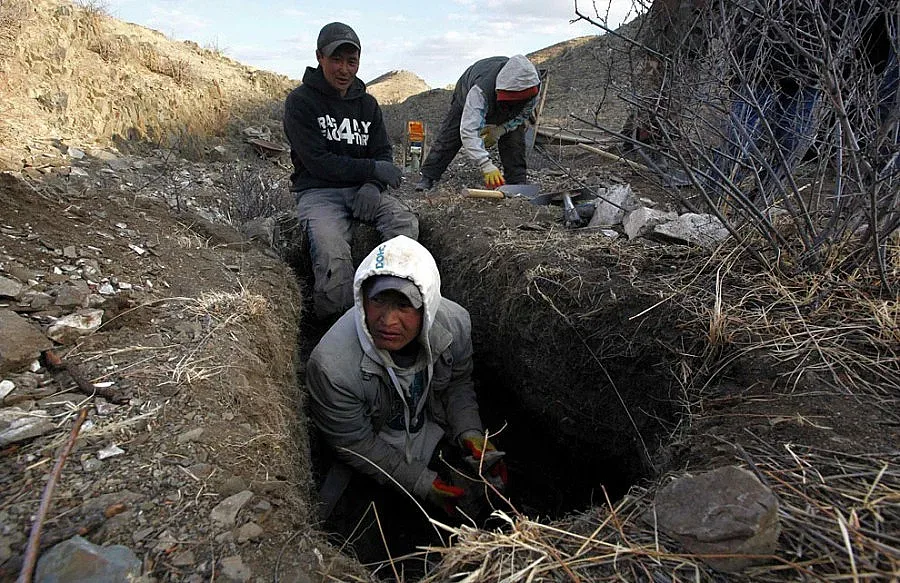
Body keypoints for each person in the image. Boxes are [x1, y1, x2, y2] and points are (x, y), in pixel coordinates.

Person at [307, 235, 507, 518]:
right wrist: (422, 483)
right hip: (372, 451)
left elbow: (458, 385)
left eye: (403, 305)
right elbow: (355, 443)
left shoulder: (454, 326)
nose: (387, 321)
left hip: (429, 431)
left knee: (484, 500)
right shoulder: (333, 366)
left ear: (427, 305)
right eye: (378, 301)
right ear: (361, 297)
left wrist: (471, 433)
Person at [283, 22, 419, 323]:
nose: (344, 69)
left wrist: (372, 185)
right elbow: (318, 161)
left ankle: (390, 310)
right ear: (320, 57)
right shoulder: (300, 102)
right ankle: (337, 327)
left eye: (351, 61)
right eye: (336, 60)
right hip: (318, 192)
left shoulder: (368, 104)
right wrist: (372, 170)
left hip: (362, 188)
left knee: (405, 225)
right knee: (333, 255)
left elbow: (382, 152)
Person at [414, 55, 541, 191]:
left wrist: (500, 130)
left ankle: (517, 183)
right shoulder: (480, 91)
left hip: (508, 109)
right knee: (450, 135)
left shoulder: (533, 85)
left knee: (514, 138)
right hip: (466, 94)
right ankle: (428, 177)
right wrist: (485, 164)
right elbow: (469, 131)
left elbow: (523, 115)